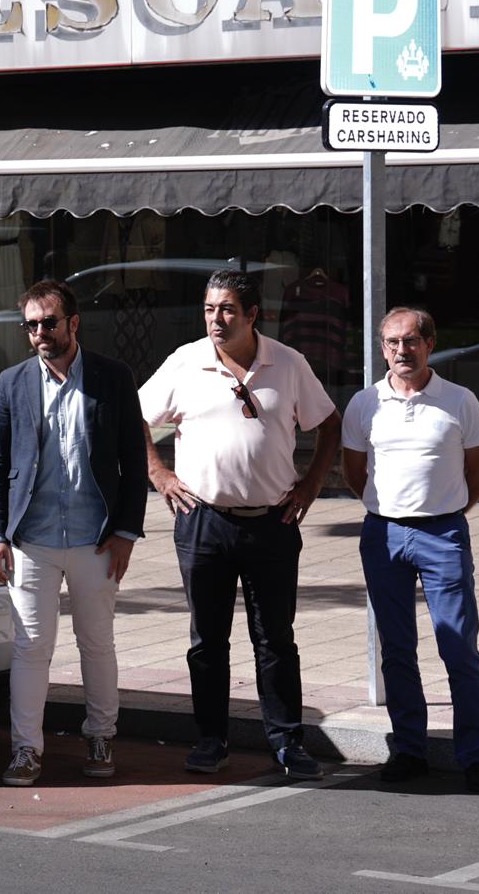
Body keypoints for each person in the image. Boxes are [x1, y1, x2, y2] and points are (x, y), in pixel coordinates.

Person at [140, 269, 340, 780]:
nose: (216, 319)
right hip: (202, 521)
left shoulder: (288, 364)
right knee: (207, 641)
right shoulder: (186, 361)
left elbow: (329, 424)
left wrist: (311, 485)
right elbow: (134, 416)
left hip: (272, 522)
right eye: (210, 309)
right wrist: (159, 473)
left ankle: (287, 742)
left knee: (275, 639)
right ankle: (211, 741)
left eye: (227, 309)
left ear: (253, 315)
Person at [0, 279, 148, 787]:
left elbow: (133, 460)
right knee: (31, 646)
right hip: (31, 539)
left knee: (96, 643)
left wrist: (125, 531)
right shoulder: (12, 383)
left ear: (73, 323)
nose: (39, 333)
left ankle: (101, 736)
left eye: (48, 322)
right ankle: (26, 750)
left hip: (96, 538)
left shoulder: (112, 377)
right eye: (31, 325)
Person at [341, 306, 479, 794]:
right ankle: (409, 750)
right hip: (383, 535)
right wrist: (389, 511)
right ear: (382, 348)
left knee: (458, 646)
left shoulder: (460, 401)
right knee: (396, 648)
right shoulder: (365, 403)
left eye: (411, 341)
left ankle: (475, 757)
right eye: (392, 342)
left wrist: (446, 511)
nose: (401, 351)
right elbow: (354, 472)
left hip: (442, 535)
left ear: (430, 344)